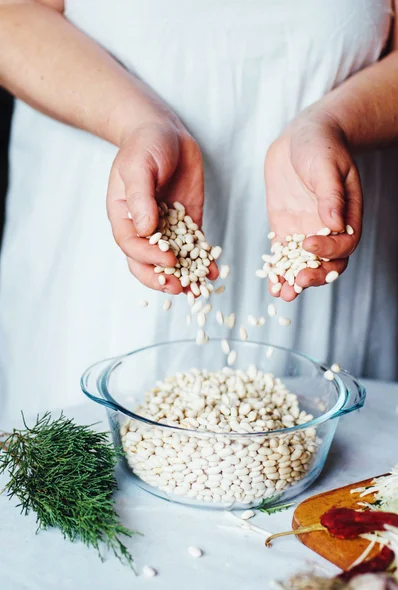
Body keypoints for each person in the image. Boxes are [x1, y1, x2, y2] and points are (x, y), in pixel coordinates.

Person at [0, 0, 397, 420]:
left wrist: (335, 123)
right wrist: (135, 122)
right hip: (92, 270)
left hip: (325, 242)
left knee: (337, 459)